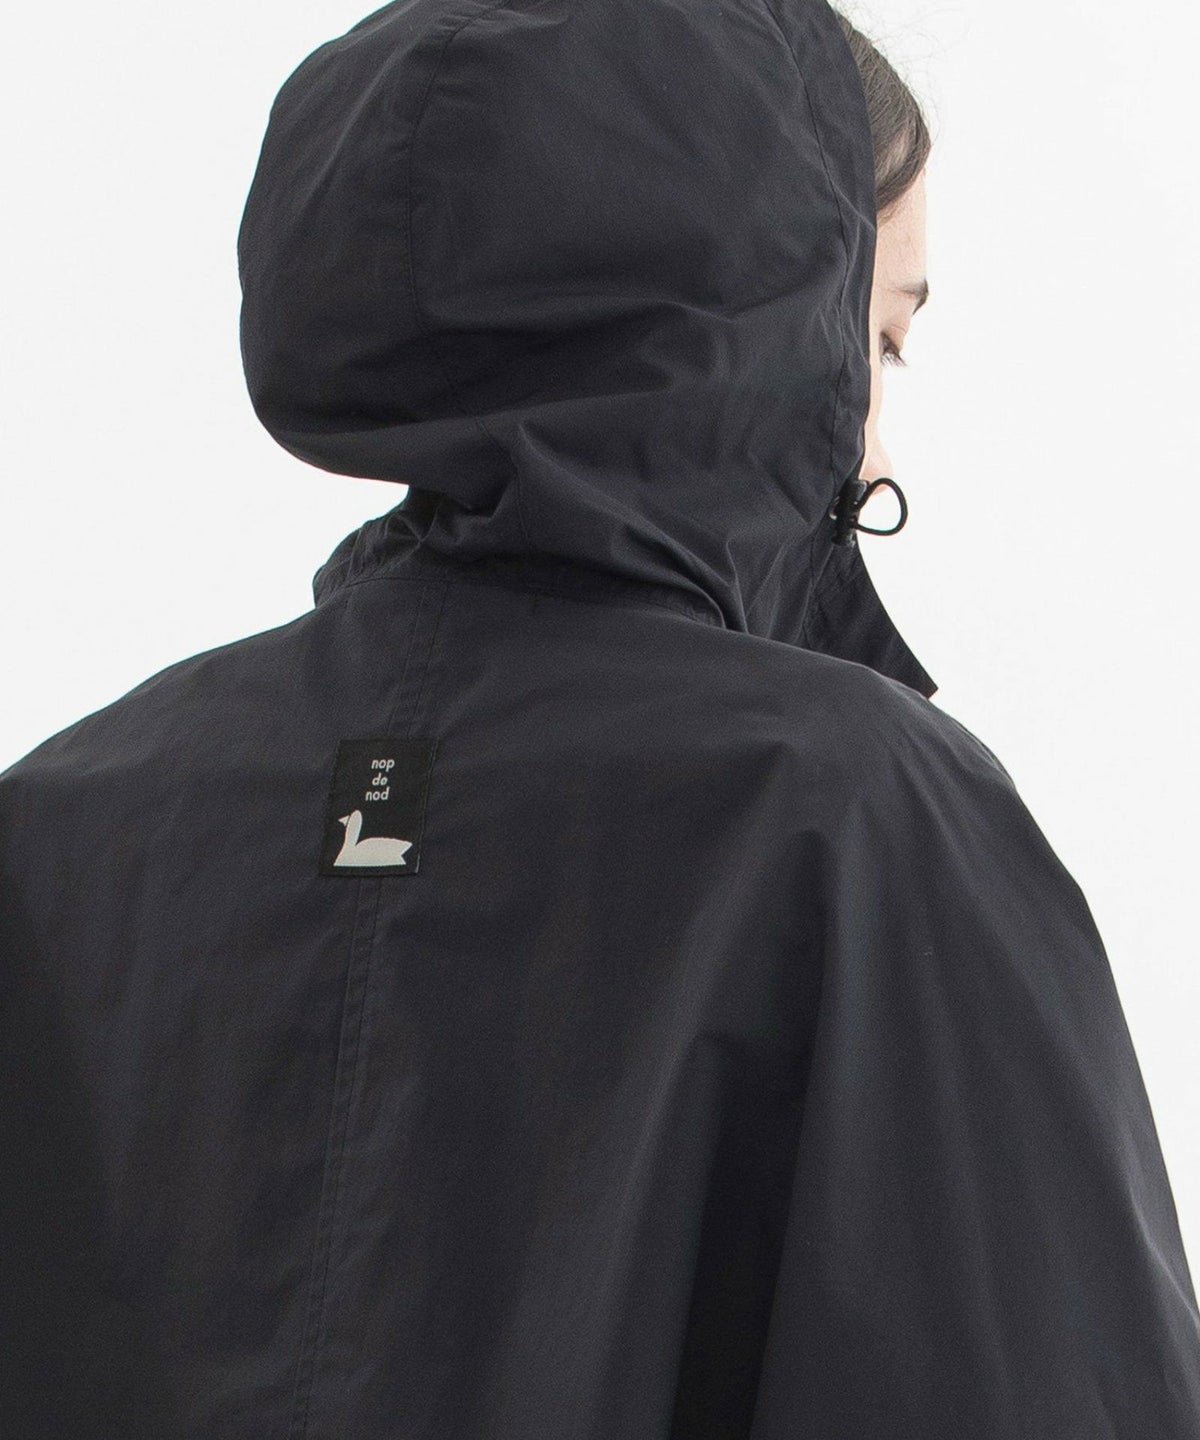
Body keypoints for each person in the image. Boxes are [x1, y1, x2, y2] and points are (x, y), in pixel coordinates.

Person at [1, 0, 1198, 1434]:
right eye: (874, 341)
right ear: (756, 331)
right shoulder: (859, 815)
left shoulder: (58, 820)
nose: (875, 449)